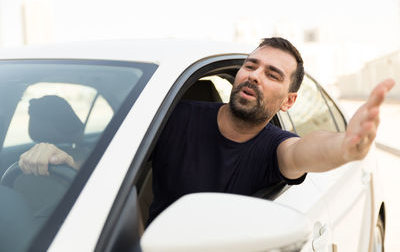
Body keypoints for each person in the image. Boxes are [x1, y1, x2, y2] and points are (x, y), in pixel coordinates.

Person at [18, 37, 395, 223]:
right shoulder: (175, 116)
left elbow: (307, 151)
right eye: (251, 65)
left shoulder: (275, 149)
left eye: (272, 74)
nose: (254, 76)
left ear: (289, 102)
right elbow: (119, 156)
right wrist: (65, 156)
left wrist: (347, 148)